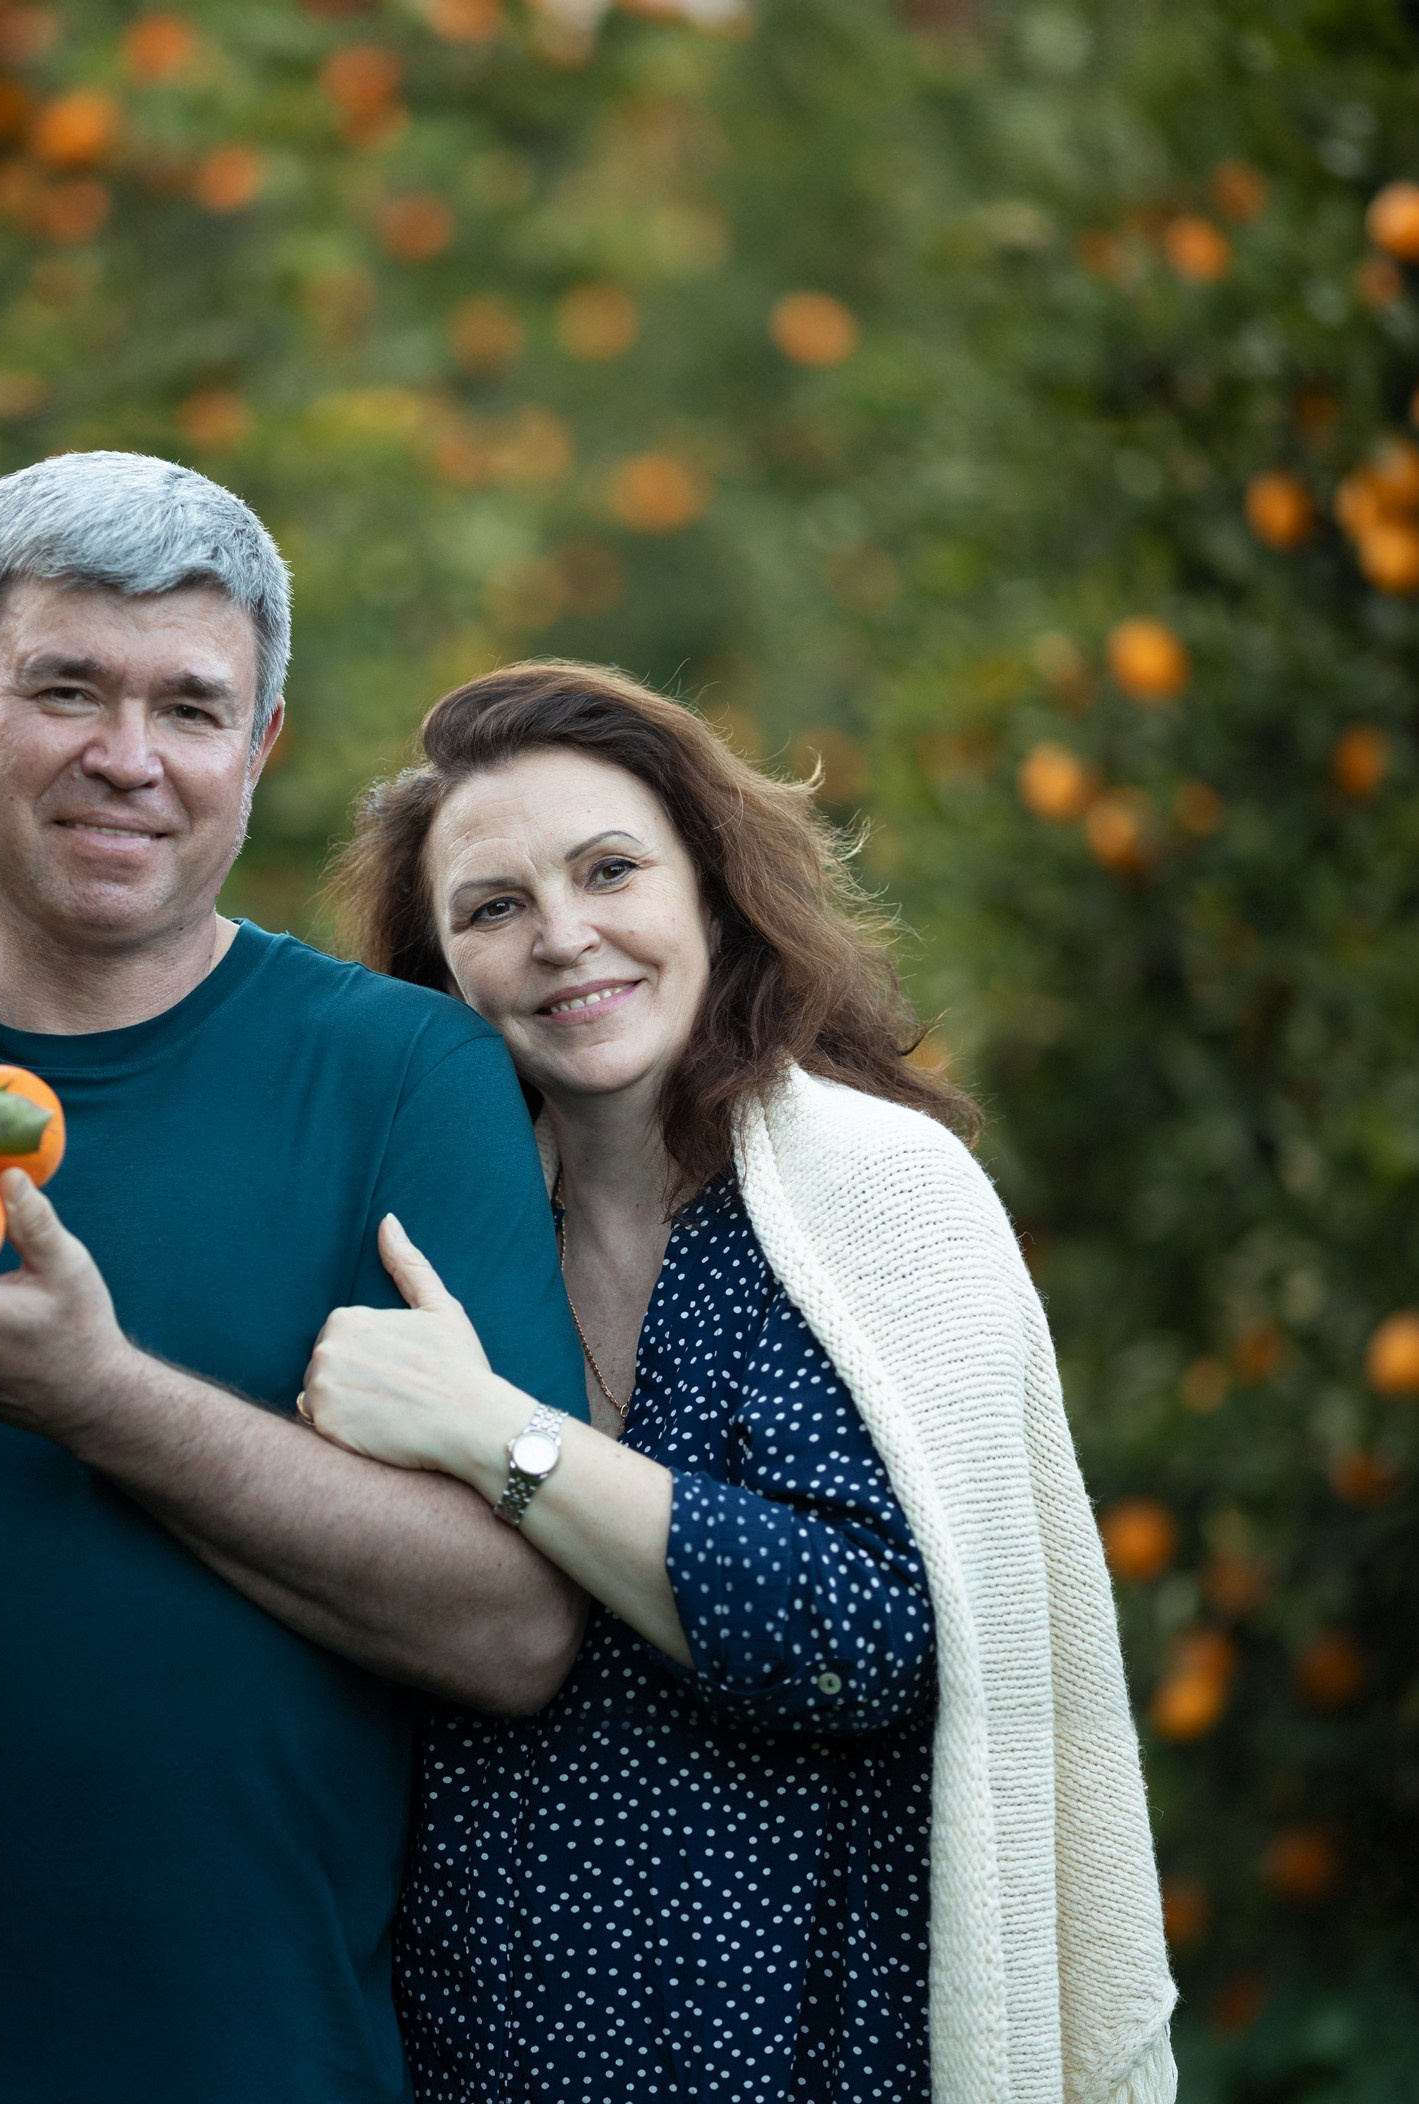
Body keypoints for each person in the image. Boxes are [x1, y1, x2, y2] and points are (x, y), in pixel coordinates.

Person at [0, 456, 589, 2104]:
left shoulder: (403, 1078)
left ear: (258, 752)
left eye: (191, 708)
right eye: (64, 689)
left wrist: (91, 1396)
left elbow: (513, 1628)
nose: (129, 759)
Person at [305, 660, 1177, 2103]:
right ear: (439, 971)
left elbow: (866, 1635)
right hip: (467, 2045)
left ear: (708, 887)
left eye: (609, 871)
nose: (565, 939)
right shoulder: (427, 1243)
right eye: (495, 907)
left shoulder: (886, 1200)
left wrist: (496, 1435)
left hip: (802, 2041)